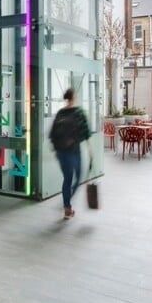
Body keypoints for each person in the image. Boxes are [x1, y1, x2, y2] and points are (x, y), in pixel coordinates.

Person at [49, 88, 92, 220]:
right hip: (73, 151)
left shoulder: (60, 113)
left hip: (61, 152)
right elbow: (86, 133)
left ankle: (67, 207)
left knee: (67, 179)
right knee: (78, 177)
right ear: (73, 97)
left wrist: (55, 150)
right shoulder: (79, 112)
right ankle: (66, 203)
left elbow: (53, 133)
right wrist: (91, 152)